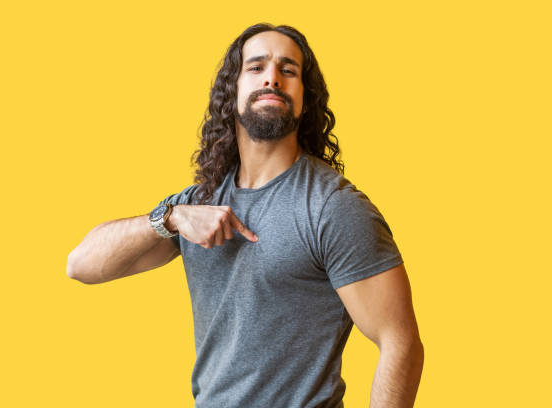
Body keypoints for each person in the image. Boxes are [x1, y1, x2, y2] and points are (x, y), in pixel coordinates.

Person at [67, 23, 424, 408]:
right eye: (256, 67)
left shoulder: (333, 207)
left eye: (288, 70)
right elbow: (81, 264)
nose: (272, 77)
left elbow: (400, 344)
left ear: (305, 99)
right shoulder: (198, 203)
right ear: (231, 93)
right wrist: (169, 218)